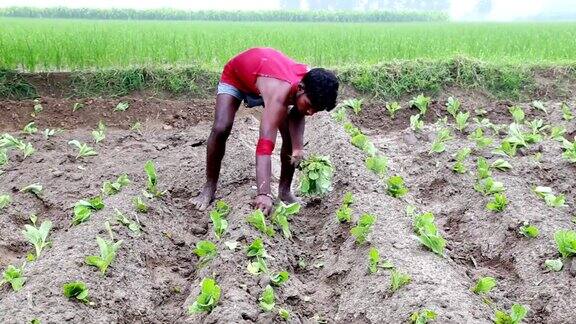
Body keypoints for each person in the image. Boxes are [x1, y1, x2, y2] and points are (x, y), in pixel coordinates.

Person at [192, 47, 339, 215]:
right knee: (221, 128)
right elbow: (264, 146)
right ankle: (209, 187)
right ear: (300, 89)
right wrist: (263, 194)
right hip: (237, 77)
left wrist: (298, 147)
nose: (311, 112)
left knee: (290, 140)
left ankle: (284, 192)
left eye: (317, 110)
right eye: (310, 105)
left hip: (267, 78)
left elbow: (298, 114)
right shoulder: (280, 94)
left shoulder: (311, 81)